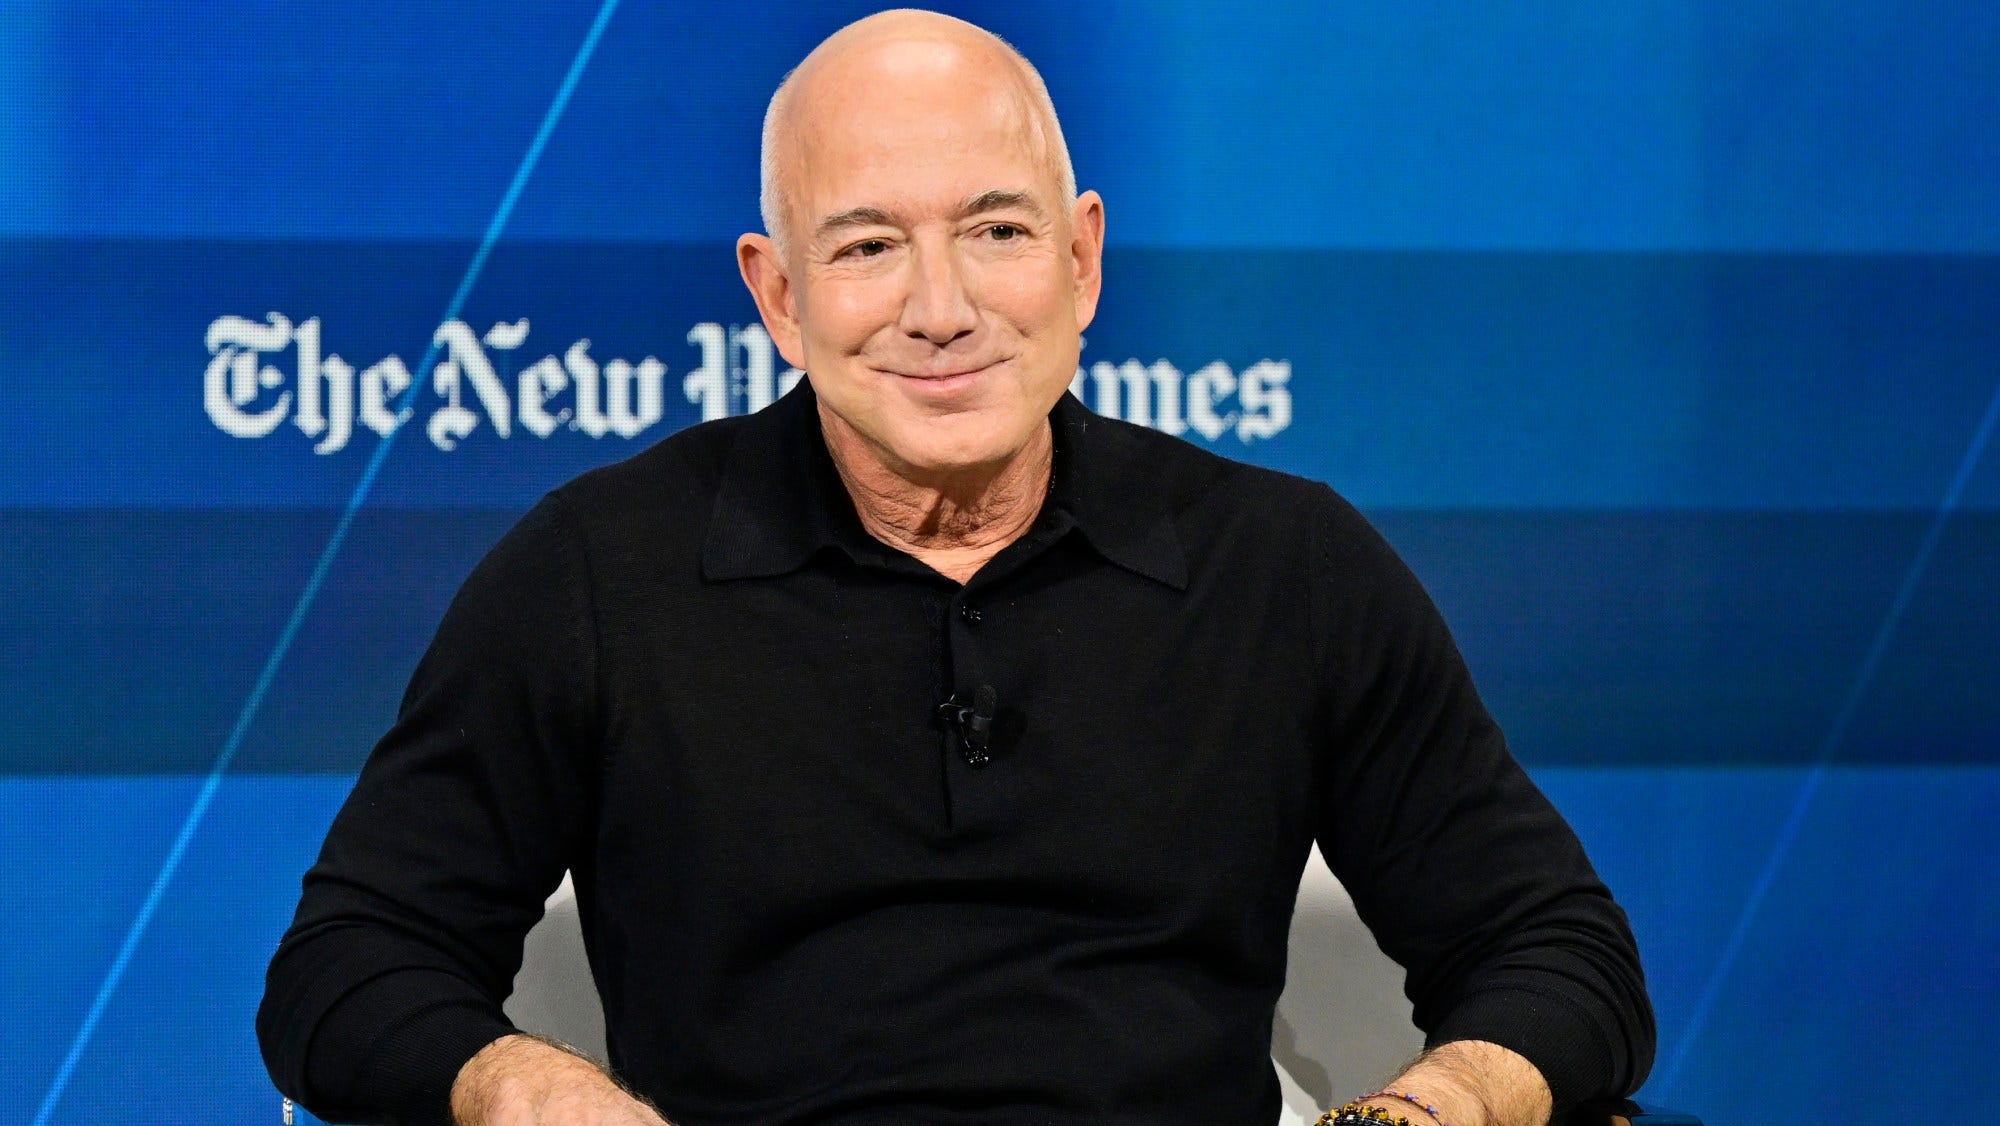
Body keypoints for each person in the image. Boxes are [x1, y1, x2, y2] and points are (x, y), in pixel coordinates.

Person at [259, 10, 1653, 1125]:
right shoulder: (595, 571)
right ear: (780, 297)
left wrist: (1416, 1112)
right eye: (869, 246)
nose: (942, 308)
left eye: (996, 231)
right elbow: (347, 967)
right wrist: (532, 1088)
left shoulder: (1287, 563)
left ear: (1083, 258)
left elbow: (1558, 951)